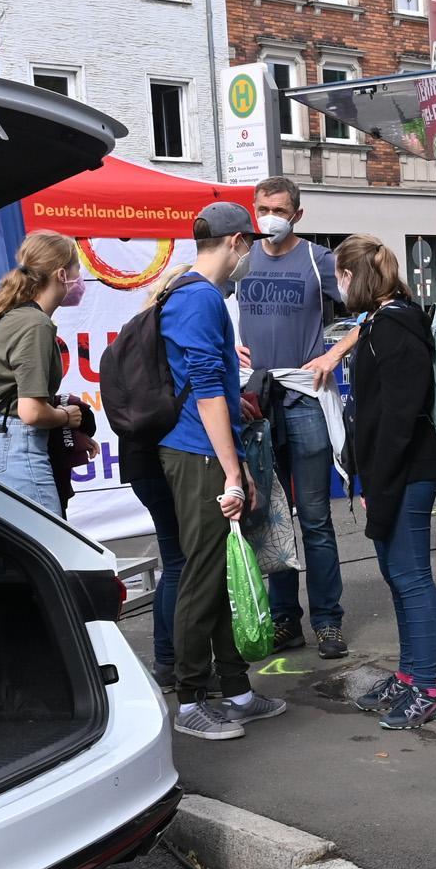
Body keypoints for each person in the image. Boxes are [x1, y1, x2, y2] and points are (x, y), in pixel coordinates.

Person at [160, 203, 288, 741]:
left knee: (219, 574)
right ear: (235, 242)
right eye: (248, 245)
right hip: (197, 452)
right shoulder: (201, 298)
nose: (250, 255)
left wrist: (236, 468)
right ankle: (190, 702)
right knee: (205, 576)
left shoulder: (189, 293)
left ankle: (234, 690)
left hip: (202, 450)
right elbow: (210, 392)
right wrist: (233, 473)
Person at [326, 236, 436, 729]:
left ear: (354, 277)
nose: (336, 284)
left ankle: (426, 686)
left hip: (406, 470)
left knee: (410, 576)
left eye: (340, 274)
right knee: (398, 575)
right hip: (391, 469)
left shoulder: (394, 324)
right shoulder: (382, 322)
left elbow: (399, 416)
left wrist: (379, 481)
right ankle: (409, 677)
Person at [236, 176, 347, 661]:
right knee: (269, 517)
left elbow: (375, 309)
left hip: (303, 400)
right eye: (263, 208)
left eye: (279, 209)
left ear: (297, 214)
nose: (270, 217)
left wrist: (334, 354)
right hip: (256, 403)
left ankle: (327, 621)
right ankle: (286, 621)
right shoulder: (240, 258)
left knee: (317, 518)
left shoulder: (320, 260)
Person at [0, 231, 95, 515]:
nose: (79, 278)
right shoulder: (36, 324)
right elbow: (31, 411)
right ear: (62, 274)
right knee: (52, 548)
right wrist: (65, 417)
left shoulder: (14, 316)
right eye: (77, 269)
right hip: (15, 449)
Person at [125, 266, 195, 689]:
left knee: (175, 560)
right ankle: (175, 663)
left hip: (140, 460)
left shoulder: (134, 331)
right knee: (183, 564)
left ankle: (168, 661)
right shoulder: (168, 337)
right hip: (169, 458)